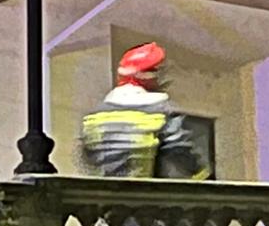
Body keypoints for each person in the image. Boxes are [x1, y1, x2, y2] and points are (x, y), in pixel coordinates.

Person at [80, 42, 210, 179]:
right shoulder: (160, 111)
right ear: (147, 76)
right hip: (142, 194)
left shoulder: (94, 116)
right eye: (157, 70)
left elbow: (87, 157)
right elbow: (181, 150)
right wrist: (203, 175)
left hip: (99, 194)